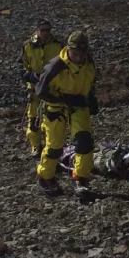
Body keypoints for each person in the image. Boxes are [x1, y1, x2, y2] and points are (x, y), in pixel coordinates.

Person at [35, 30, 98, 200]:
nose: (78, 58)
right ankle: (46, 177)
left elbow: (91, 81)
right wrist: (64, 99)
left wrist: (91, 99)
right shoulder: (55, 66)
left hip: (79, 107)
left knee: (84, 143)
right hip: (56, 109)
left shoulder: (89, 62)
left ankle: (81, 180)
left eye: (81, 54)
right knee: (55, 147)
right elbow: (41, 91)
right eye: (75, 54)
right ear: (68, 49)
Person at [20, 20, 62, 156]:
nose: (45, 33)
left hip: (51, 88)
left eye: (48, 30)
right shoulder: (28, 46)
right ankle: (36, 146)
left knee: (51, 119)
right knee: (33, 119)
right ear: (37, 30)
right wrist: (30, 76)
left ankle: (50, 146)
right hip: (34, 88)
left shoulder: (58, 45)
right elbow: (22, 66)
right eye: (43, 30)